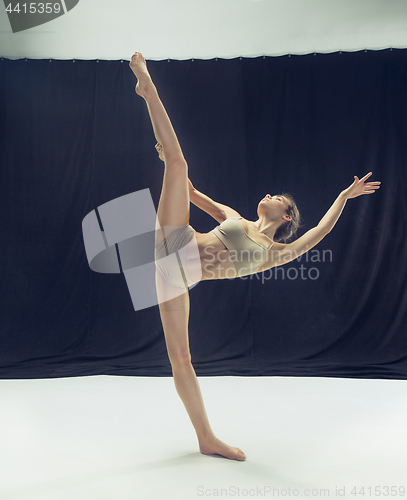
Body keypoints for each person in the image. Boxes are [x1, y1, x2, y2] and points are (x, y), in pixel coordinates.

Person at [129, 52, 381, 461]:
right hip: (176, 244)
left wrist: (343, 196)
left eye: (276, 197)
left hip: (176, 279)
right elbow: (191, 193)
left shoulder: (276, 253)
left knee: (182, 359)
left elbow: (321, 231)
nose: (267, 195)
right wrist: (169, 168)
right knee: (177, 161)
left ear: (285, 216)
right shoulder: (234, 217)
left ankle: (206, 439)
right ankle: (147, 88)